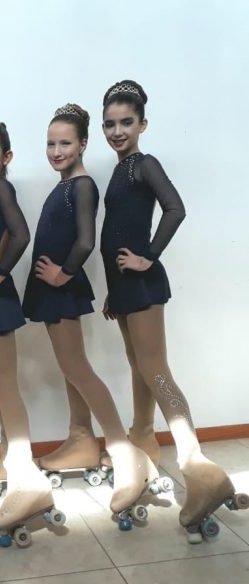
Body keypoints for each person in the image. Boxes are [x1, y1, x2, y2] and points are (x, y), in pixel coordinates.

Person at [100, 80, 248, 541]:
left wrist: (148, 257)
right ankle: (143, 442)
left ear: (142, 124)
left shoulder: (144, 164)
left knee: (155, 370)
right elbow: (118, 228)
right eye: (110, 123)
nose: (117, 131)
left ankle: (196, 465)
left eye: (126, 122)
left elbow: (175, 208)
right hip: (124, 288)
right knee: (138, 366)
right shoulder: (120, 170)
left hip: (142, 284)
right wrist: (113, 291)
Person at [22, 104, 166, 528]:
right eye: (51, 144)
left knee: (77, 368)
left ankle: (121, 449)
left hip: (61, 290)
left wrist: (63, 273)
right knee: (72, 370)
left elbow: (85, 241)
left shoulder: (82, 186)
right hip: (52, 292)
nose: (56, 151)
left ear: (83, 144)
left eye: (65, 143)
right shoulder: (66, 185)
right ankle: (81, 439)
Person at [0, 118, 62, 547]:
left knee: (6, 387)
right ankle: (7, 455)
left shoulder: (1, 189)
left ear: (7, 156)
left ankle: (27, 477)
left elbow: (21, 234)